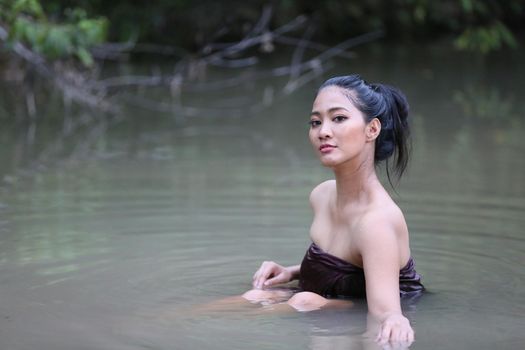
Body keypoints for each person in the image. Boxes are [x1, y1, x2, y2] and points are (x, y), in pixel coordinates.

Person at [243, 74, 425, 345]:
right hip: (330, 301)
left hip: (355, 311)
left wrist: (394, 320)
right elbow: (348, 268)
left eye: (338, 118)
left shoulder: (377, 221)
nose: (323, 131)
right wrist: (293, 272)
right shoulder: (322, 195)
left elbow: (385, 312)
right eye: (316, 122)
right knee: (255, 295)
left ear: (372, 130)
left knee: (303, 301)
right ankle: (162, 321)